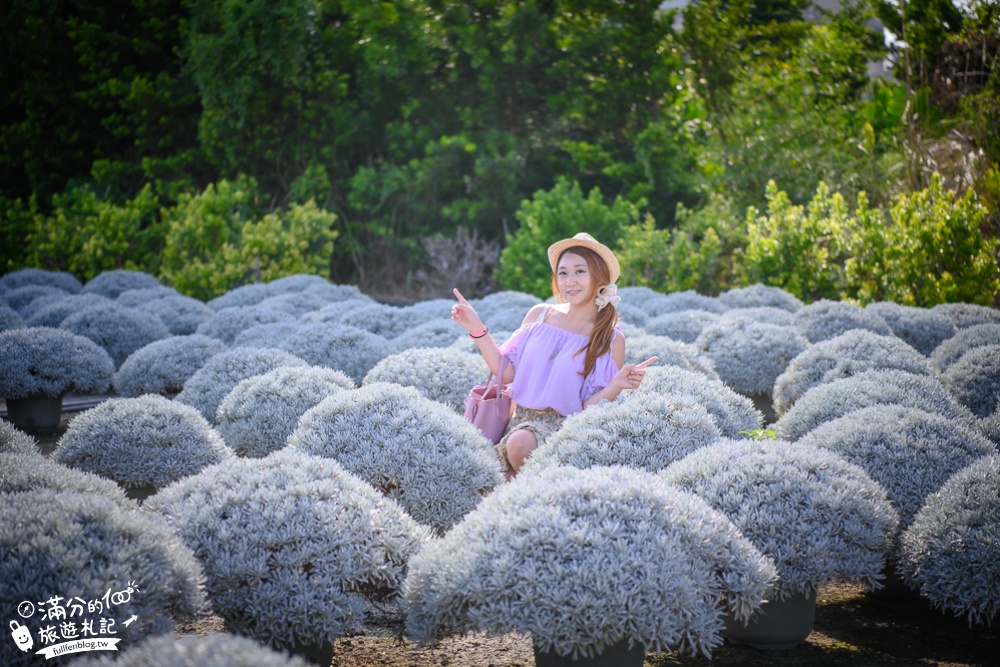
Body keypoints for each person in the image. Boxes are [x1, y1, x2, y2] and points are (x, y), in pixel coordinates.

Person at [452, 232, 656, 479]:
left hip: (564, 431)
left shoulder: (610, 337)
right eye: (563, 273)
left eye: (580, 271)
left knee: (520, 447)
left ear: (599, 277)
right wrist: (477, 329)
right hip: (517, 422)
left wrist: (615, 386)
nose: (570, 281)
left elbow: (589, 407)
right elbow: (506, 373)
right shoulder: (539, 316)